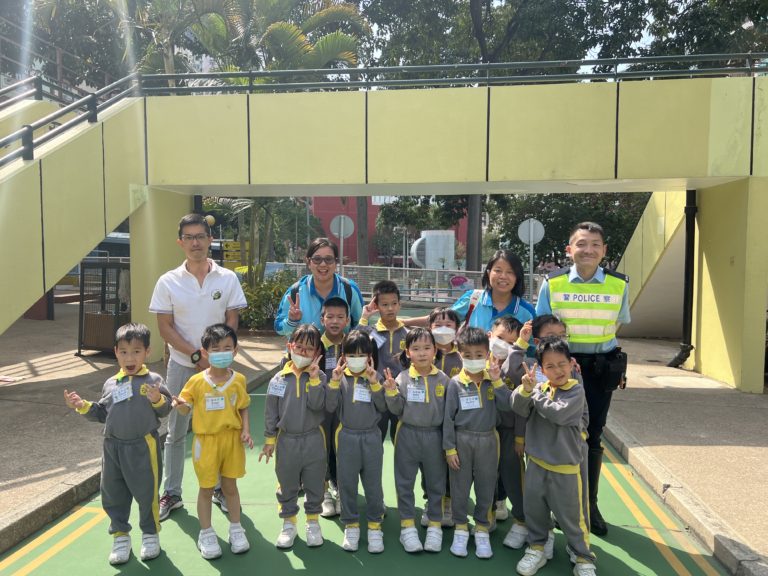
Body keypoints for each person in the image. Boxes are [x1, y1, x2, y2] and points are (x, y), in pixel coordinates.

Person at [149, 213, 247, 521]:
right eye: (189, 237)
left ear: (210, 239)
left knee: (219, 430)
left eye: (200, 236)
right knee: (175, 432)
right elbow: (165, 327)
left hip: (219, 370)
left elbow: (232, 320)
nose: (195, 243)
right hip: (181, 366)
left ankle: (219, 489)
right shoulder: (167, 281)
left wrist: (219, 356)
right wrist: (196, 357)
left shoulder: (227, 278)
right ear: (180, 242)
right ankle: (172, 493)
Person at [536, 221, 630, 536]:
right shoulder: (552, 283)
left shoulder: (619, 285)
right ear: (569, 249)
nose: (588, 250)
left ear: (604, 250)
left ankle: (589, 504)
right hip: (563, 367)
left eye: (594, 244)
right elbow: (543, 328)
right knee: (558, 432)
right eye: (581, 244)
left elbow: (617, 324)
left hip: (601, 369)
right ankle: (555, 504)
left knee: (593, 435)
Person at [64, 323, 171, 565]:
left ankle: (150, 533)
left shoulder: (154, 380)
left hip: (143, 447)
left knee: (147, 492)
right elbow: (103, 412)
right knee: (113, 493)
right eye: (123, 351)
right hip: (113, 448)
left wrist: (157, 399)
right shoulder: (111, 383)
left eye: (136, 351)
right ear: (115, 352)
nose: (129, 358)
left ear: (147, 352)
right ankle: (121, 535)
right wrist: (82, 405)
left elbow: (166, 409)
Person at [512, 337, 596, 576]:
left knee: (573, 517)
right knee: (535, 511)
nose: (558, 370)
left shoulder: (576, 390)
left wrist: (534, 395)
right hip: (537, 464)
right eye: (550, 366)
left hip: (565, 468)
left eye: (562, 364)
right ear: (541, 368)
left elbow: (558, 414)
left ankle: (582, 556)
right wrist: (526, 390)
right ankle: (537, 547)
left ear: (571, 364)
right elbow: (517, 407)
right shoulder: (538, 389)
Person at [171, 324, 252, 559]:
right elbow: (184, 409)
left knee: (230, 487)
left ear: (235, 350)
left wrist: (246, 430)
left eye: (227, 347)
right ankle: (206, 532)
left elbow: (243, 407)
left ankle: (236, 528)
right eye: (216, 349)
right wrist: (180, 405)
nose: (222, 352)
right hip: (205, 442)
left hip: (231, 441)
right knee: (206, 489)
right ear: (205, 352)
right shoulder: (196, 381)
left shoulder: (239, 379)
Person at [443, 327, 511, 559]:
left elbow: (507, 407)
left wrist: (498, 381)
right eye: (468, 355)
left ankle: (482, 528)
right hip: (461, 439)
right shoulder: (454, 383)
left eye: (479, 355)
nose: (474, 359)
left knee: (486, 486)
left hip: (488, 440)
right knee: (459, 487)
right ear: (460, 355)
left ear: (488, 355)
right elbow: (448, 419)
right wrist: (450, 449)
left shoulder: (493, 380)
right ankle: (461, 528)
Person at [260, 324, 327, 549]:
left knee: (315, 482)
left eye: (309, 348)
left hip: (313, 439)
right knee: (287, 482)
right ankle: (288, 523)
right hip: (286, 441)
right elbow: (271, 412)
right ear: (290, 346)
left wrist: (314, 379)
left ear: (317, 353)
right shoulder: (278, 379)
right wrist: (269, 440)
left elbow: (318, 405)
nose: (303, 352)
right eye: (299, 347)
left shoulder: (321, 377)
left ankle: (313, 522)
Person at [383, 328, 449, 554]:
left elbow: (449, 415)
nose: (422, 353)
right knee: (405, 483)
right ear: (408, 352)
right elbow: (397, 409)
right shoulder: (402, 378)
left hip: (435, 436)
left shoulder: (444, 379)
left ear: (435, 350)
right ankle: (407, 527)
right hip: (407, 435)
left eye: (427, 348)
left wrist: (448, 444)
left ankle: (435, 525)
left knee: (436, 483)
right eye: (416, 348)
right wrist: (391, 393)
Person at [326, 330, 387, 554]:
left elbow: (383, 406)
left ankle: (374, 526)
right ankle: (351, 525)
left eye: (362, 354)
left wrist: (375, 383)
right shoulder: (339, 377)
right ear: (343, 356)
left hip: (371, 437)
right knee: (347, 484)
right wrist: (334, 382)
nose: (357, 359)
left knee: (373, 484)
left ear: (369, 356)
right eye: (352, 354)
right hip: (346, 437)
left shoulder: (375, 377)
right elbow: (330, 406)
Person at [404, 250, 535, 332]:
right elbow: (440, 320)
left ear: (517, 277)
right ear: (488, 273)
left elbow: (531, 350)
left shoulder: (527, 312)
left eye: (510, 272)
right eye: (498, 270)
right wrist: (404, 323)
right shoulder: (473, 299)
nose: (503, 276)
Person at [274, 237, 364, 338]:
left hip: (341, 348)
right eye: (317, 259)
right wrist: (291, 321)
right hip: (304, 349)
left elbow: (362, 324)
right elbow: (279, 328)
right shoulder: (295, 291)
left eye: (328, 259)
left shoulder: (350, 290)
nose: (323, 264)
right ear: (309, 262)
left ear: (336, 263)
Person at [358, 280, 408, 443]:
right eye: (385, 304)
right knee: (375, 439)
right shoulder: (371, 332)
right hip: (376, 392)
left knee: (400, 439)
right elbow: (355, 343)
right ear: (376, 306)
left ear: (399, 305)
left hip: (400, 394)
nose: (390, 308)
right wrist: (364, 318)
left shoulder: (408, 335)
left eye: (394, 303)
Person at [318, 297, 349, 518]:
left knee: (343, 449)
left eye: (340, 317)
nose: (335, 321)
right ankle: (324, 491)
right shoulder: (315, 344)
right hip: (320, 407)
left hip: (346, 407)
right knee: (322, 447)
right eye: (330, 316)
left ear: (347, 320)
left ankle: (341, 489)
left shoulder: (353, 343)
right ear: (322, 319)